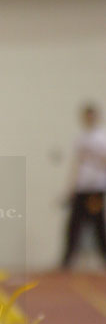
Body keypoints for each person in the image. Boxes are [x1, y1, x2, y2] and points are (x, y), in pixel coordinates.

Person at [61, 103, 106, 268]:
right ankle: (67, 261)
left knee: (97, 224)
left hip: (96, 188)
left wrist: (93, 156)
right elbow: (77, 164)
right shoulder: (80, 138)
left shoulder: (102, 137)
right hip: (82, 187)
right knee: (74, 224)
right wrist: (71, 187)